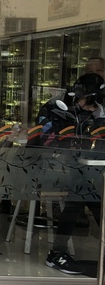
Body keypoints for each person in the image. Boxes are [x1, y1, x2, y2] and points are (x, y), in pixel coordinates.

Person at [32, 72, 105, 274]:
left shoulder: (91, 113)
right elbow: (46, 142)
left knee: (86, 193)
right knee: (87, 194)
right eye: (91, 105)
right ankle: (57, 251)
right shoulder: (56, 109)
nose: (93, 110)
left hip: (78, 169)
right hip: (47, 168)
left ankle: (58, 251)